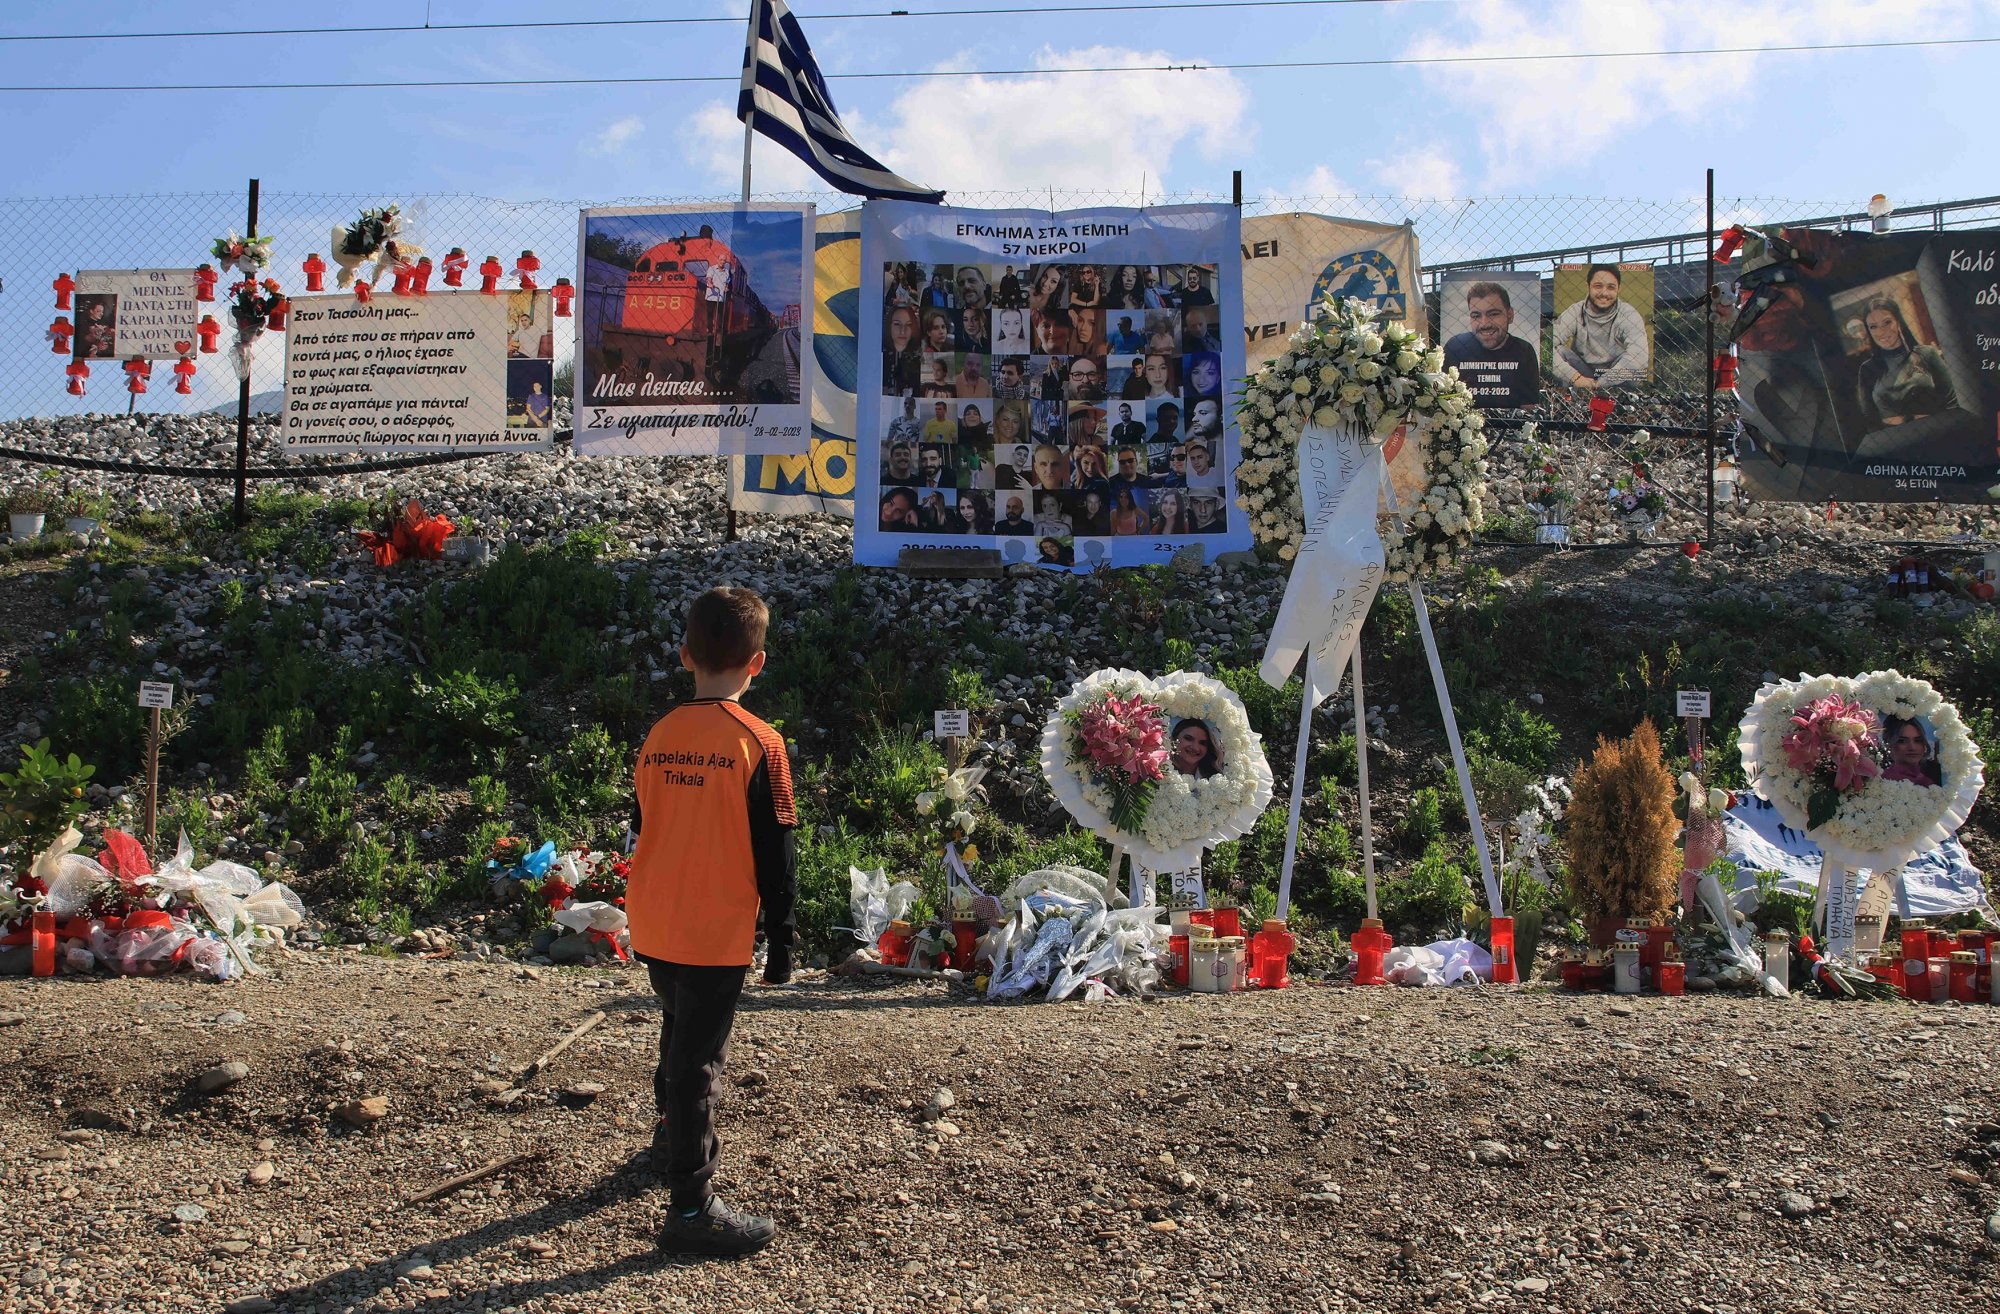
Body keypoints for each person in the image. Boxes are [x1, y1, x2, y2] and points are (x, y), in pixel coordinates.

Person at [628, 586, 795, 1256]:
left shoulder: (661, 733)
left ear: (684, 655)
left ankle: (669, 1137)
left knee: (677, 1029)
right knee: (698, 1061)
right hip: (712, 929)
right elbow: (778, 851)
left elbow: (645, 821)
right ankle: (691, 1208)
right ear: (757, 664)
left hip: (654, 921)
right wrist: (782, 941)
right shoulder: (762, 743)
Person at [1853, 297, 1960, 429]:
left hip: (1936, 430)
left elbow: (1952, 402)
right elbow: (1869, 419)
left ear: (1898, 322)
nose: (1881, 332)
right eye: (1873, 327)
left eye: (1887, 322)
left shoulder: (1927, 354)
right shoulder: (1867, 369)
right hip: (1895, 440)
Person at [1549, 264, 1650, 392]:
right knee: (1558, 350)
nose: (1604, 293)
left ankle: (1624, 402)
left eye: (1611, 287)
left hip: (1616, 374)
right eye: (1598, 286)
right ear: (1588, 287)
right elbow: (1548, 344)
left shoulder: (1629, 313)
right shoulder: (1575, 310)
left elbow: (1639, 356)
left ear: (1618, 289)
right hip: (1583, 372)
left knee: (1634, 363)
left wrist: (1602, 382)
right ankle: (1572, 401)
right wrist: (1576, 378)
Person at [1442, 281, 1541, 408]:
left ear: (1510, 315)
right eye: (1476, 316)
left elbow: (1529, 407)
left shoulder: (1524, 350)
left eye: (1493, 314)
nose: (1484, 324)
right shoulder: (1455, 347)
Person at [1881, 715, 1941, 787]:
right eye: (1902, 741)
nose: (1912, 747)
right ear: (1889, 744)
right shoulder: (1883, 780)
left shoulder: (1938, 774)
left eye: (1918, 740)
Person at [884, 305, 922, 394]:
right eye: (897, 324)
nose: (902, 331)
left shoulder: (918, 359)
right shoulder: (879, 357)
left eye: (908, 325)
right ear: (889, 326)